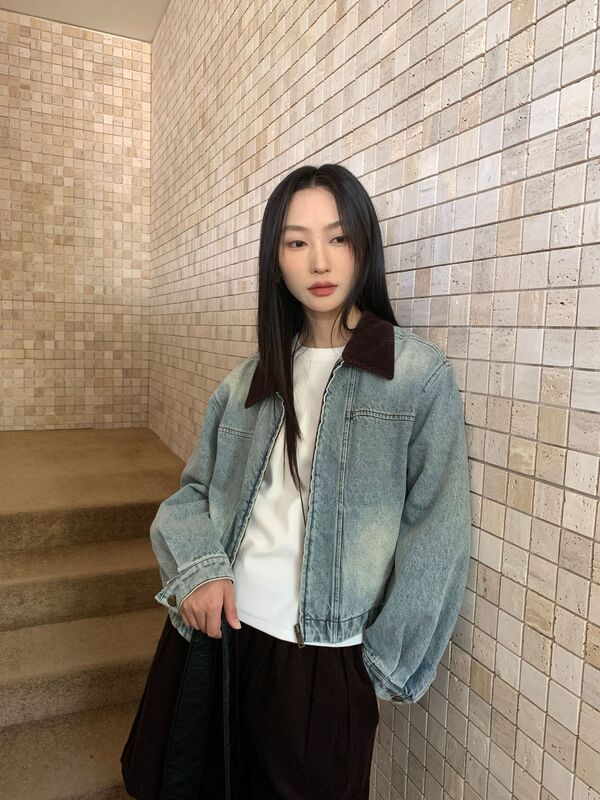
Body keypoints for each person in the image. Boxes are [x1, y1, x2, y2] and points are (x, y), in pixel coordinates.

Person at [125, 163, 472, 800]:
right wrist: (199, 570)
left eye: (338, 238)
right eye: (296, 241)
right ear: (275, 259)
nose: (319, 260)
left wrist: (381, 664)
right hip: (224, 635)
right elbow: (190, 495)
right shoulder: (247, 381)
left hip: (328, 662)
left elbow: (437, 534)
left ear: (364, 246)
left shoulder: (415, 376)